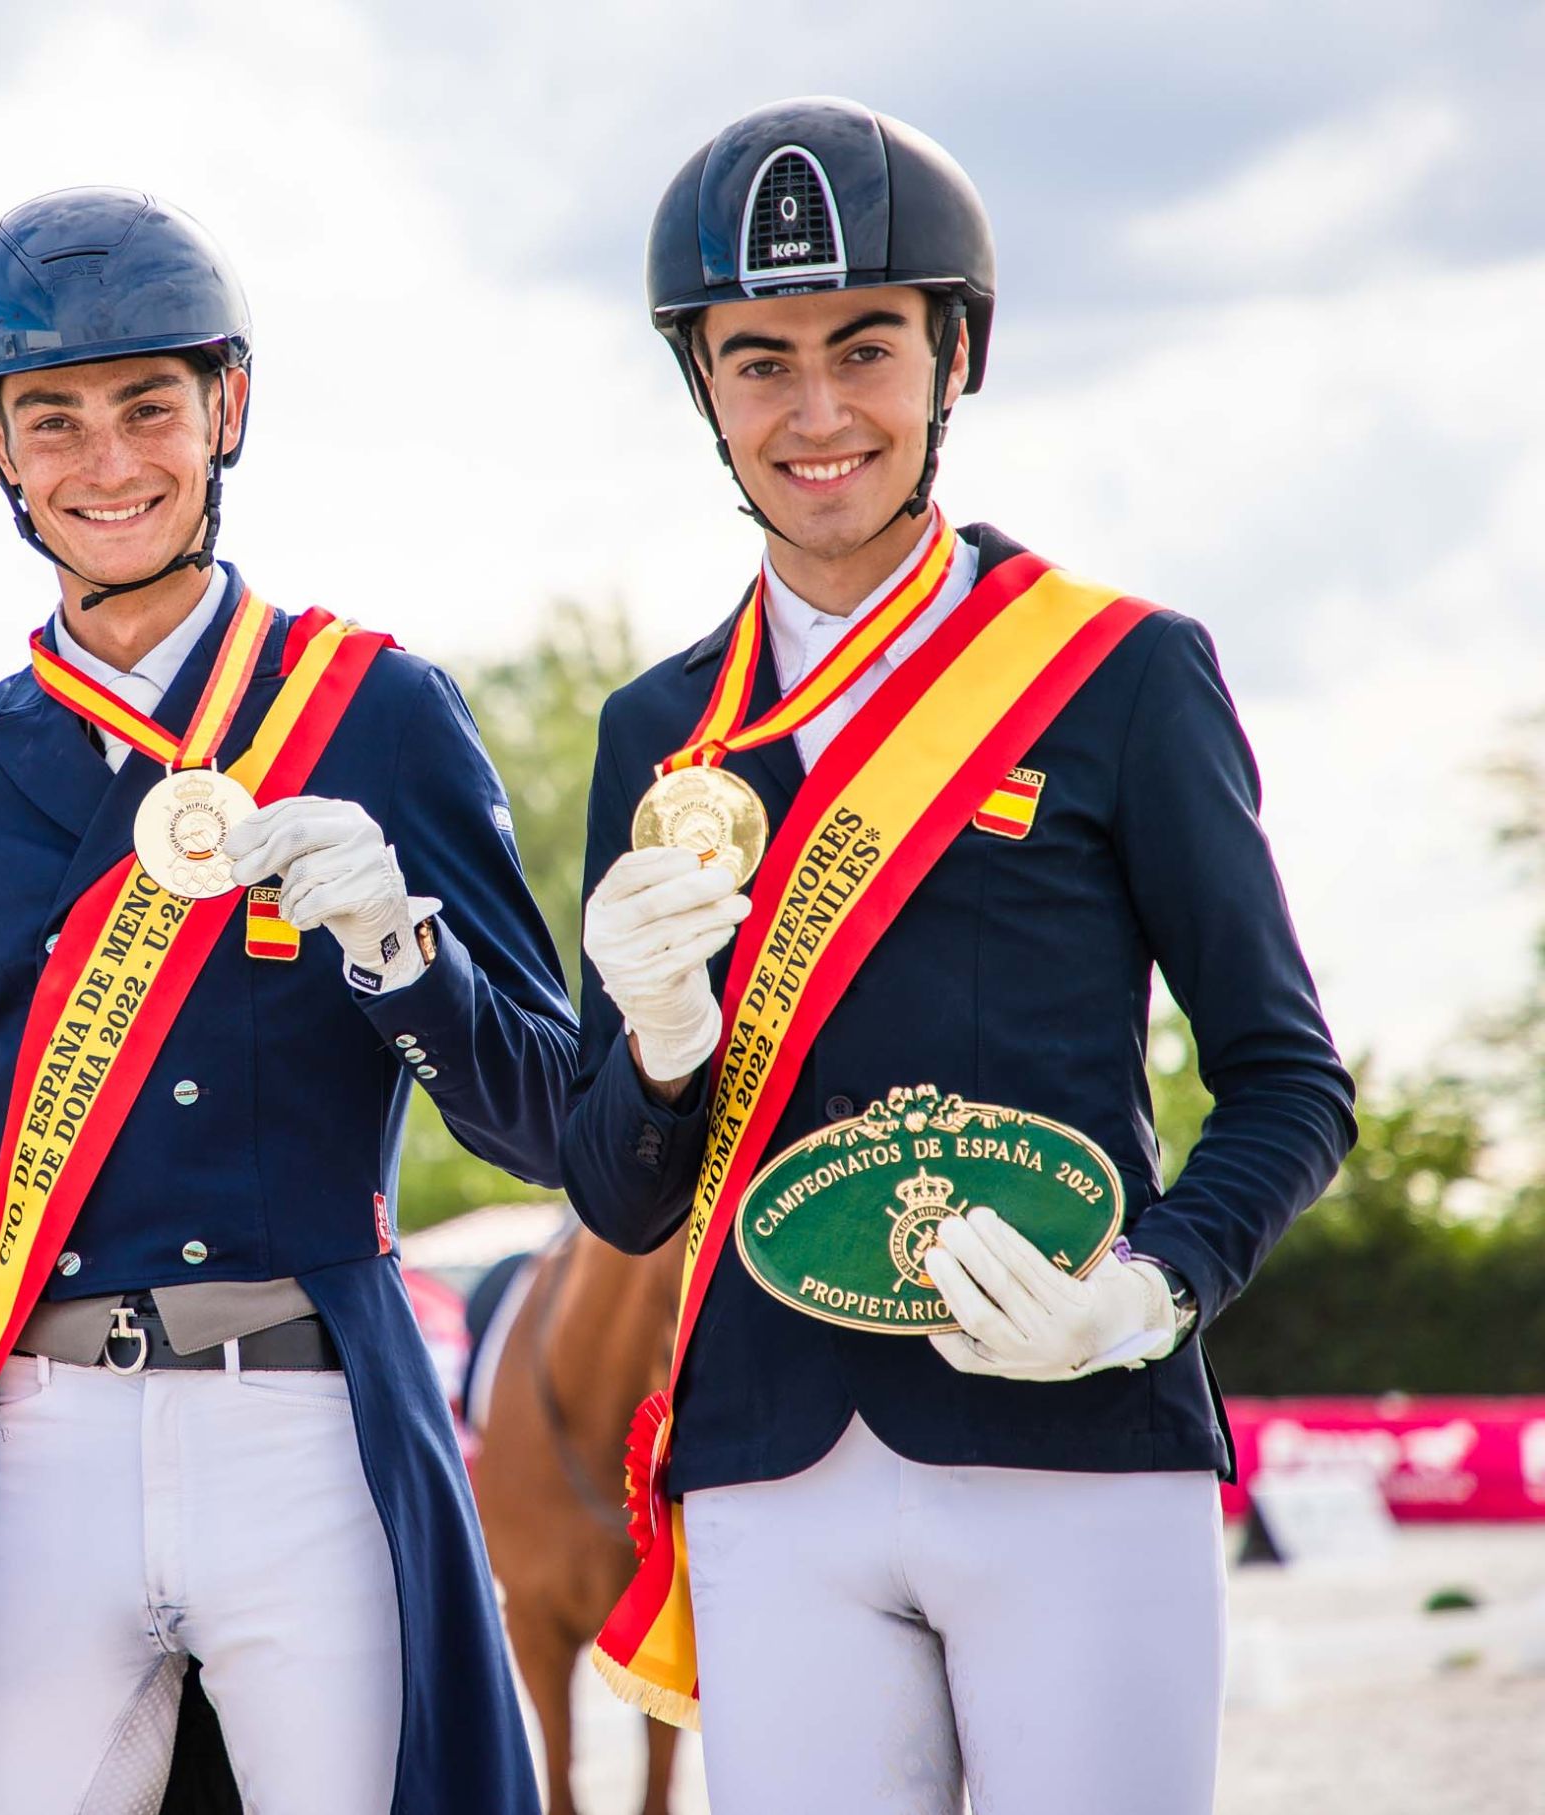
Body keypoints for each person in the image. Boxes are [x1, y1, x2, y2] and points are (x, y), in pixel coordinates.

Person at [559, 98, 1357, 1813]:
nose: (819, 410)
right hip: (774, 1462)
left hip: (1076, 1436)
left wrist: (1148, 1293)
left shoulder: (1123, 674)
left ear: (956, 354)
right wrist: (654, 1041)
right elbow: (622, 1198)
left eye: (866, 347)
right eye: (760, 359)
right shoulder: (659, 733)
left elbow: (1291, 1085)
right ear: (704, 385)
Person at [0, 187, 576, 1813]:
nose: (107, 460)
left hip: (304, 1422)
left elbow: (550, 1118)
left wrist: (400, 954)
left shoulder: (379, 712)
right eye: (51, 417)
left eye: (149, 404)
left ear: (227, 408)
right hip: (44, 1438)